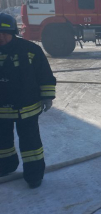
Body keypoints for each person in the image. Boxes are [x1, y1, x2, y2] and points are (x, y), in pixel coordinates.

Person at [0, 12, 56, 189]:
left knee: (31, 144)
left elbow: (44, 75)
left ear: (13, 32)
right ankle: (6, 166)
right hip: (1, 110)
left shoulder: (31, 50)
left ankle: (34, 176)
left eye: (5, 33)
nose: (1, 37)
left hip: (28, 107)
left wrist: (47, 96)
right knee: (2, 143)